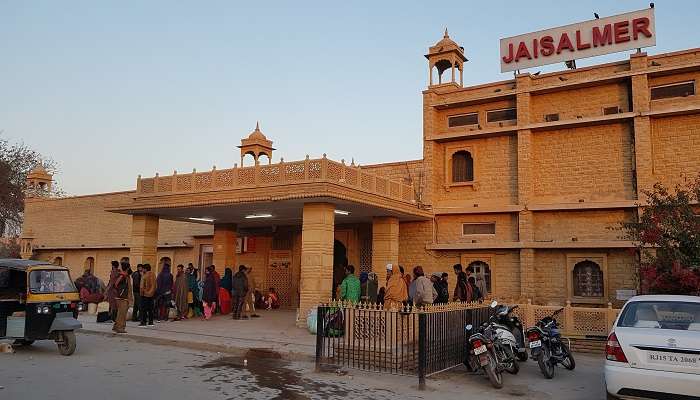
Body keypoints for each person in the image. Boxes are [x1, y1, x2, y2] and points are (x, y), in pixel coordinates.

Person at [112, 262, 130, 333]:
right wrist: (121, 291)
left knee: (119, 313)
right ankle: (120, 328)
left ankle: (116, 326)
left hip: (119, 296)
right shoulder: (123, 275)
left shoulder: (122, 275)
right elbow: (116, 284)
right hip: (122, 297)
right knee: (122, 313)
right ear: (128, 268)